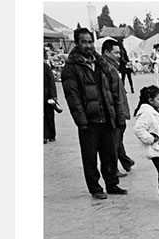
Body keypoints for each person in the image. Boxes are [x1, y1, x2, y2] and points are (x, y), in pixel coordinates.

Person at [61, 27, 126, 199]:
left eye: (90, 42)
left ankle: (112, 184)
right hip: (89, 120)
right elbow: (72, 97)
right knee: (90, 157)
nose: (88, 45)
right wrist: (81, 121)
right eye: (84, 42)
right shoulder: (71, 68)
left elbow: (112, 91)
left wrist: (117, 114)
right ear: (76, 43)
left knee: (110, 154)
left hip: (106, 116)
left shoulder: (101, 63)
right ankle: (95, 188)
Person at [101, 39, 135, 176]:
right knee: (114, 140)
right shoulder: (107, 69)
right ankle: (114, 169)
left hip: (118, 108)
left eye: (119, 53)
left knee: (117, 138)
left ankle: (126, 162)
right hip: (114, 110)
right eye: (116, 53)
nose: (119, 56)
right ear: (106, 52)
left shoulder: (113, 67)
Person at [43, 49, 57, 143]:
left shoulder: (45, 67)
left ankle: (51, 135)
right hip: (45, 95)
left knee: (49, 116)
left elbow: (51, 82)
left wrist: (53, 97)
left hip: (47, 97)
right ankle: (44, 136)